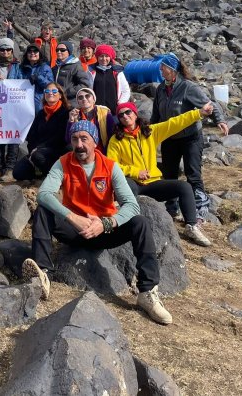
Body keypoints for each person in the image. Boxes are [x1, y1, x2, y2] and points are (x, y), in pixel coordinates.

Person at [23, 120, 172, 325]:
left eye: (84, 138)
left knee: (140, 222)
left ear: (95, 142)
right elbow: (44, 194)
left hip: (105, 231)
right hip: (74, 230)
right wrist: (73, 218)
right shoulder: (63, 162)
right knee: (43, 211)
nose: (79, 144)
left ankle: (147, 292)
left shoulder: (111, 167)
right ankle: (41, 276)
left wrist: (106, 223)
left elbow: (131, 205)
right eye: (75, 139)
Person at [107, 101, 213, 247]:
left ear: (135, 114)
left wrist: (199, 113)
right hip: (133, 183)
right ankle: (123, 224)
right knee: (127, 186)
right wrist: (135, 172)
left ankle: (191, 226)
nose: (125, 116)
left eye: (128, 112)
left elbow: (175, 123)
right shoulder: (116, 139)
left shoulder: (150, 131)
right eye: (121, 115)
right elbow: (112, 165)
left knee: (184, 187)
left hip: (153, 184)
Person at [151, 53, 229, 220]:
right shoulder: (160, 89)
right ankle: (172, 208)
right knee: (169, 174)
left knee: (192, 173)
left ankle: (200, 207)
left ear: (172, 70)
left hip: (190, 138)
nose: (160, 70)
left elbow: (210, 105)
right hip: (169, 138)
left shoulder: (188, 87)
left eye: (163, 67)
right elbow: (156, 114)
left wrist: (219, 121)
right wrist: (148, 132)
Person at [13, 82, 70, 181]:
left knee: (37, 156)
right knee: (17, 173)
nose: (50, 93)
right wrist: (32, 150)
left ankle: (56, 178)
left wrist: (39, 148)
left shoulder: (66, 113)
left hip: (56, 150)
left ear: (60, 95)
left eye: (54, 91)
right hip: (38, 151)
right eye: (47, 91)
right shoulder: (41, 113)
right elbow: (32, 135)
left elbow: (60, 136)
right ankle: (41, 173)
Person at [0, 37, 23, 181]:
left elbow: (21, 81)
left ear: (12, 51)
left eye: (8, 49)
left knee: (13, 137)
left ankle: (9, 169)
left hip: (13, 107)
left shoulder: (17, 66)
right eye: (2, 49)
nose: (5, 52)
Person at [66, 87, 117, 153]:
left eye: (87, 96)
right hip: (83, 151)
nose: (84, 99)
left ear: (93, 99)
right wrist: (71, 121)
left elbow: (112, 134)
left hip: (103, 151)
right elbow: (68, 139)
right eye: (80, 97)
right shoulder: (75, 114)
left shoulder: (104, 113)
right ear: (78, 102)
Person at [89, 44, 130, 115]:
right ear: (97, 57)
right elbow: (87, 89)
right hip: (96, 110)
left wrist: (120, 104)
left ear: (110, 57)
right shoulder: (91, 71)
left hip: (114, 111)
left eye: (106, 56)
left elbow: (126, 90)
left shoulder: (117, 72)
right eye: (101, 56)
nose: (104, 59)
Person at [20, 44, 54, 112]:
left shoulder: (45, 67)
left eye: (35, 51)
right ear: (26, 54)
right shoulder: (21, 68)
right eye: (29, 51)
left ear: (39, 54)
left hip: (40, 103)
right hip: (24, 101)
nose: (32, 53)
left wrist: (38, 77)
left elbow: (51, 86)